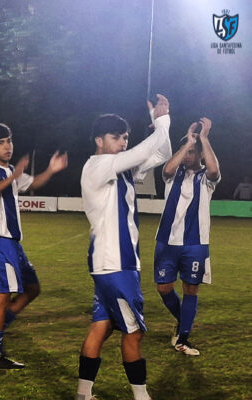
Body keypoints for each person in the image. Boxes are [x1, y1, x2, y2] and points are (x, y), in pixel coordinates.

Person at [77, 94, 172, 400]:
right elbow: (144, 149)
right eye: (115, 137)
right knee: (134, 332)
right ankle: (141, 396)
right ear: (99, 140)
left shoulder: (123, 169)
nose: (122, 142)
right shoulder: (98, 165)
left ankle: (83, 394)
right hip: (115, 265)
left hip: (114, 264)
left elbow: (163, 152)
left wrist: (160, 123)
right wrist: (162, 122)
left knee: (101, 326)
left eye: (125, 137)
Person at [0, 123, 68, 369]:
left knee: (32, 288)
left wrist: (51, 170)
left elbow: (34, 183)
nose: (7, 146)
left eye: (9, 141)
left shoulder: (10, 170)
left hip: (13, 244)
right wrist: (13, 177)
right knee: (3, 294)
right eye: (0, 142)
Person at [154, 117, 220, 356]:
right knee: (164, 288)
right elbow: (166, 169)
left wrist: (203, 138)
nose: (188, 156)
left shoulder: (206, 179)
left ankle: (183, 338)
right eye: (186, 151)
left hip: (195, 243)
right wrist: (187, 142)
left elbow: (214, 170)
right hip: (167, 241)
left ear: (201, 154)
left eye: (193, 152)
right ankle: (183, 322)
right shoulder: (174, 175)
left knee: (191, 289)